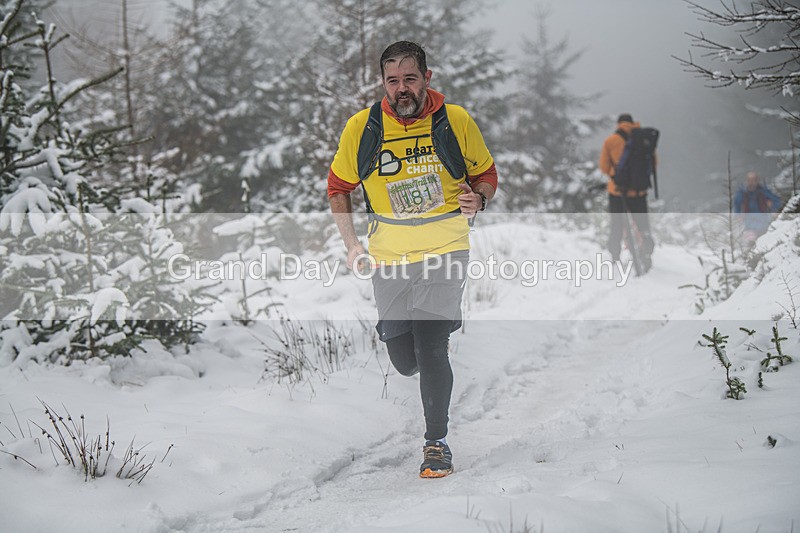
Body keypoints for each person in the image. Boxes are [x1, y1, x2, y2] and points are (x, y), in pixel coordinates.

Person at [327, 41, 498, 478]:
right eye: (392, 80)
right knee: (405, 359)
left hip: (445, 248)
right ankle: (428, 368)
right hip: (389, 256)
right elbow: (338, 188)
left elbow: (486, 175)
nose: (401, 88)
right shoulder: (362, 128)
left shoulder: (453, 121)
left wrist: (477, 197)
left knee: (430, 343)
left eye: (410, 78)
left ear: (427, 78)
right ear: (383, 82)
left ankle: (436, 443)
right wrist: (351, 245)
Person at [599, 113, 655, 268]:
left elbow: (604, 167)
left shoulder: (611, 141)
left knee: (616, 225)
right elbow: (653, 165)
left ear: (618, 124)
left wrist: (615, 174)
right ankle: (647, 252)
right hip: (639, 193)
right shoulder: (645, 140)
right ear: (633, 123)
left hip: (617, 192)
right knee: (643, 225)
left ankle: (615, 257)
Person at [733, 171, 782, 245]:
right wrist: (738, 215)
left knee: (763, 241)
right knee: (751, 242)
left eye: (753, 180)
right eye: (749, 180)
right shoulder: (742, 192)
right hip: (748, 222)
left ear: (757, 181)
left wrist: (772, 206)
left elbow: (776, 201)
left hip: (763, 220)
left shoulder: (763, 191)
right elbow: (736, 204)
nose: (751, 182)